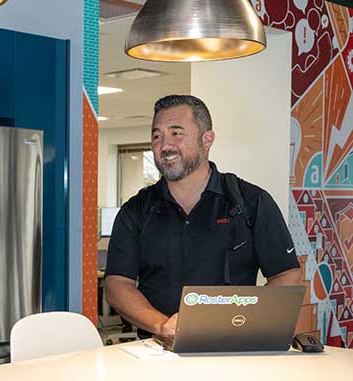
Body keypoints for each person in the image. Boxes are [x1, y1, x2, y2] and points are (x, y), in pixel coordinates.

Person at [104, 94, 302, 339]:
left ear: (207, 140)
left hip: (235, 349)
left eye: (177, 133)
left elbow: (287, 274)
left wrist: (244, 322)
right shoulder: (135, 211)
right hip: (157, 354)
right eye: (157, 136)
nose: (165, 146)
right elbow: (116, 284)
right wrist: (162, 325)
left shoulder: (251, 202)